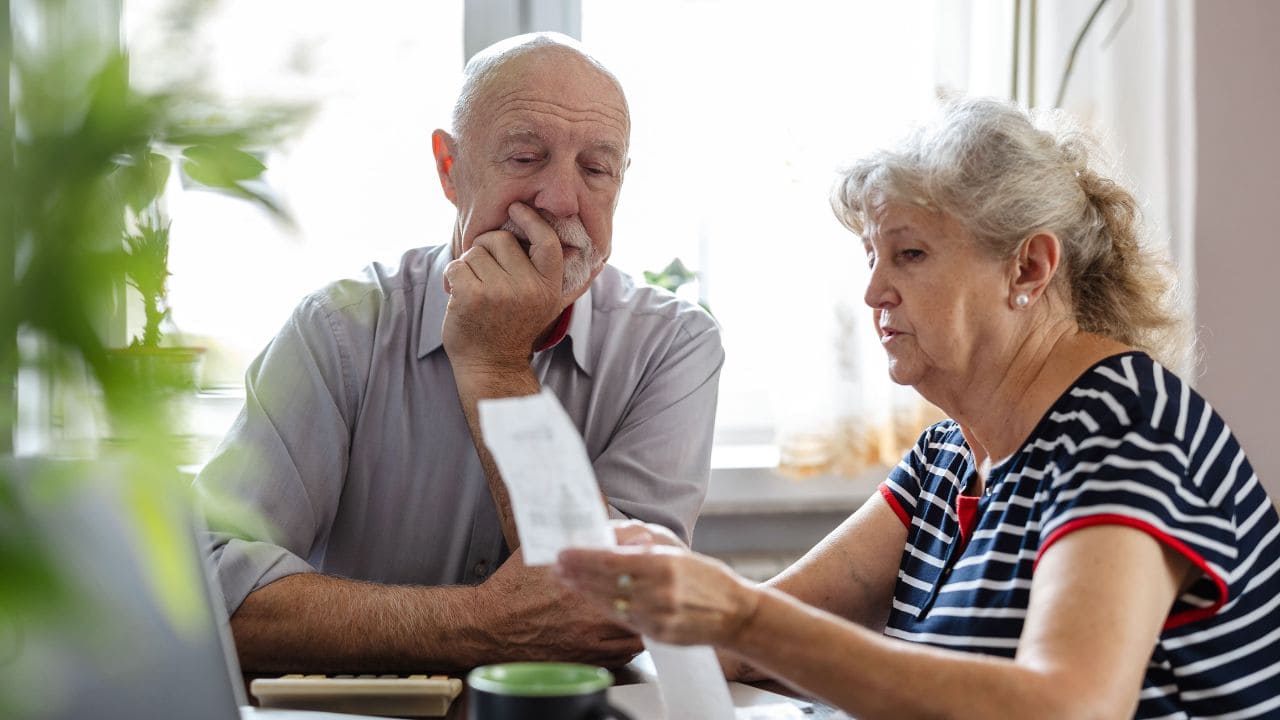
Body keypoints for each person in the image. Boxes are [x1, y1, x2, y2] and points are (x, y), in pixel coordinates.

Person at [556, 98, 1280, 718]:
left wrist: (742, 614)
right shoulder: (950, 458)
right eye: (871, 256)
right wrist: (661, 594)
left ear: (1028, 268)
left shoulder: (1125, 428)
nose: (873, 292)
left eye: (909, 255)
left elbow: (1068, 707)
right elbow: (747, 644)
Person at [195, 32, 724, 673]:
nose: (561, 200)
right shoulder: (338, 331)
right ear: (450, 169)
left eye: (595, 169)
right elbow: (211, 599)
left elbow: (619, 607)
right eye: (526, 157)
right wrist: (478, 628)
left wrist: (496, 366)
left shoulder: (673, 345)